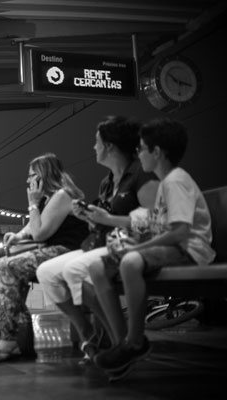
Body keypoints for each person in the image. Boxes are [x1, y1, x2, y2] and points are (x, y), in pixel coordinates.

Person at [89, 118, 215, 380]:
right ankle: (121, 340)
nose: (138, 154)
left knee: (130, 262)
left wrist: (140, 246)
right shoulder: (166, 183)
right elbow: (159, 226)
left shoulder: (175, 182)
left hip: (189, 250)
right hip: (173, 247)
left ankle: (134, 342)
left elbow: (180, 232)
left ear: (157, 152)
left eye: (142, 149)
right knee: (97, 267)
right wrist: (132, 238)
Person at [35, 116, 158, 365]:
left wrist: (108, 219)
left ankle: (121, 343)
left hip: (132, 245)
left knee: (75, 269)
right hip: (103, 243)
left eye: (97, 142)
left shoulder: (141, 177)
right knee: (46, 272)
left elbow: (154, 220)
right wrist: (90, 217)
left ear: (110, 146)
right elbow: (103, 220)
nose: (94, 147)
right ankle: (91, 336)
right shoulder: (107, 182)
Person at [0, 153, 89, 363]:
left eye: (31, 175)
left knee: (8, 267)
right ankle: (17, 337)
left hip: (67, 251)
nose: (28, 181)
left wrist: (32, 204)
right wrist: (17, 235)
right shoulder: (50, 199)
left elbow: (39, 234)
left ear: (43, 175)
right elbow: (31, 228)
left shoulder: (62, 195)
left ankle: (9, 339)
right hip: (54, 252)